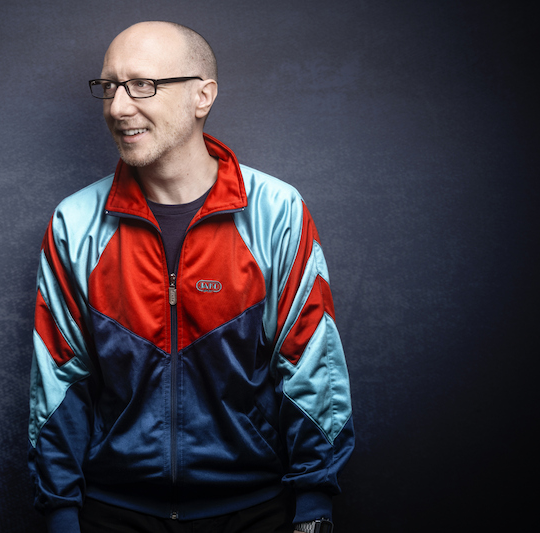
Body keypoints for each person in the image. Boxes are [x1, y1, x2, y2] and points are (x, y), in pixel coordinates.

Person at [28, 21, 354, 533]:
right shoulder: (76, 223)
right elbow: (59, 379)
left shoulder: (276, 212)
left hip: (255, 511)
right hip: (113, 512)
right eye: (109, 86)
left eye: (142, 85)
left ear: (203, 96)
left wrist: (314, 501)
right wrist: (60, 512)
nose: (117, 107)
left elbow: (310, 363)